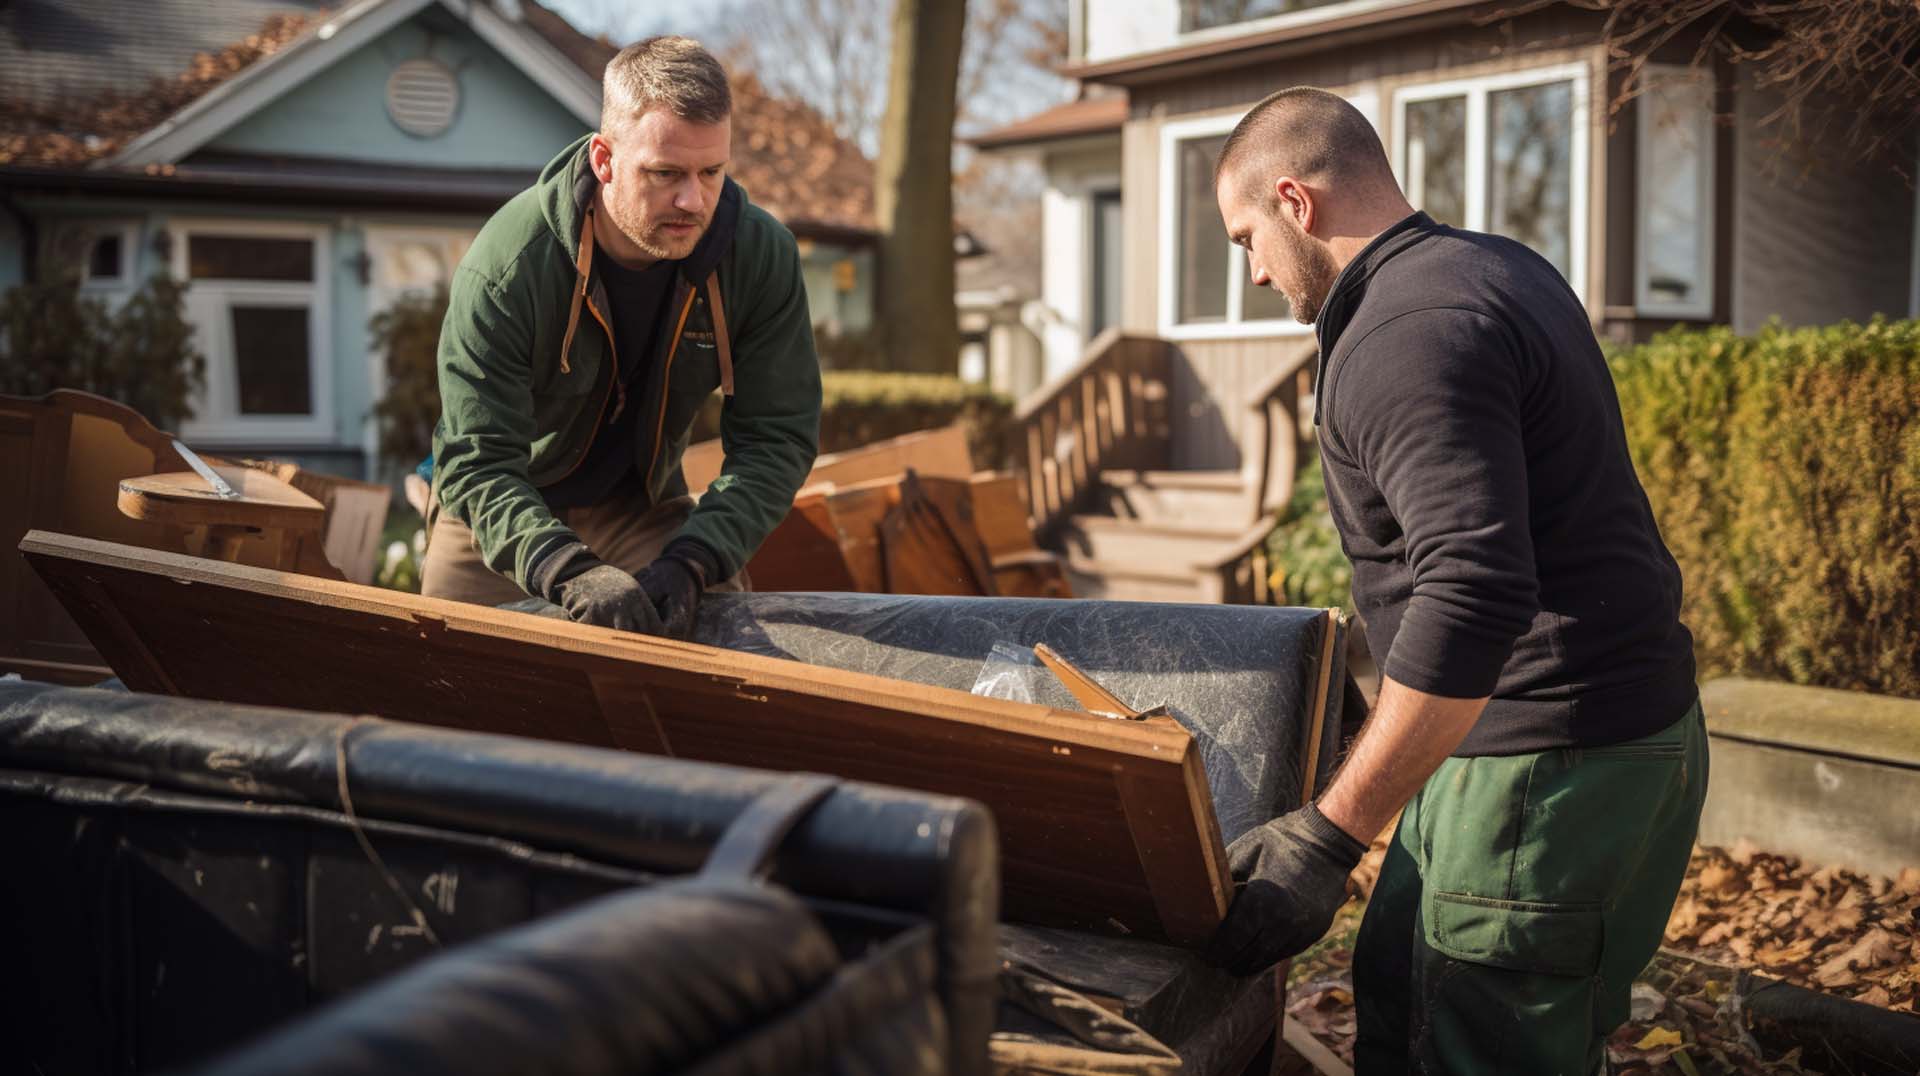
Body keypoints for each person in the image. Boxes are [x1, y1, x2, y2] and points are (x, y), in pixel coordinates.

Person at [1204, 87, 1707, 1074]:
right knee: (1403, 993)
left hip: (1543, 773)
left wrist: (1326, 836)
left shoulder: (1406, 332)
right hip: (1591, 738)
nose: (1254, 272)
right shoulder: (1494, 267)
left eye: (1244, 239)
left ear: (1295, 203)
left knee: (1475, 1047)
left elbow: (1472, 592)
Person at [422, 36, 821, 638]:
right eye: (665, 174)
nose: (694, 200)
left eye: (712, 172)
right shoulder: (507, 267)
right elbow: (478, 463)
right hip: (503, 508)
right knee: (443, 682)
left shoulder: (760, 259)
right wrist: (564, 567)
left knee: (720, 666)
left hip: (642, 506)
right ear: (604, 160)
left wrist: (696, 557)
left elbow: (777, 440)